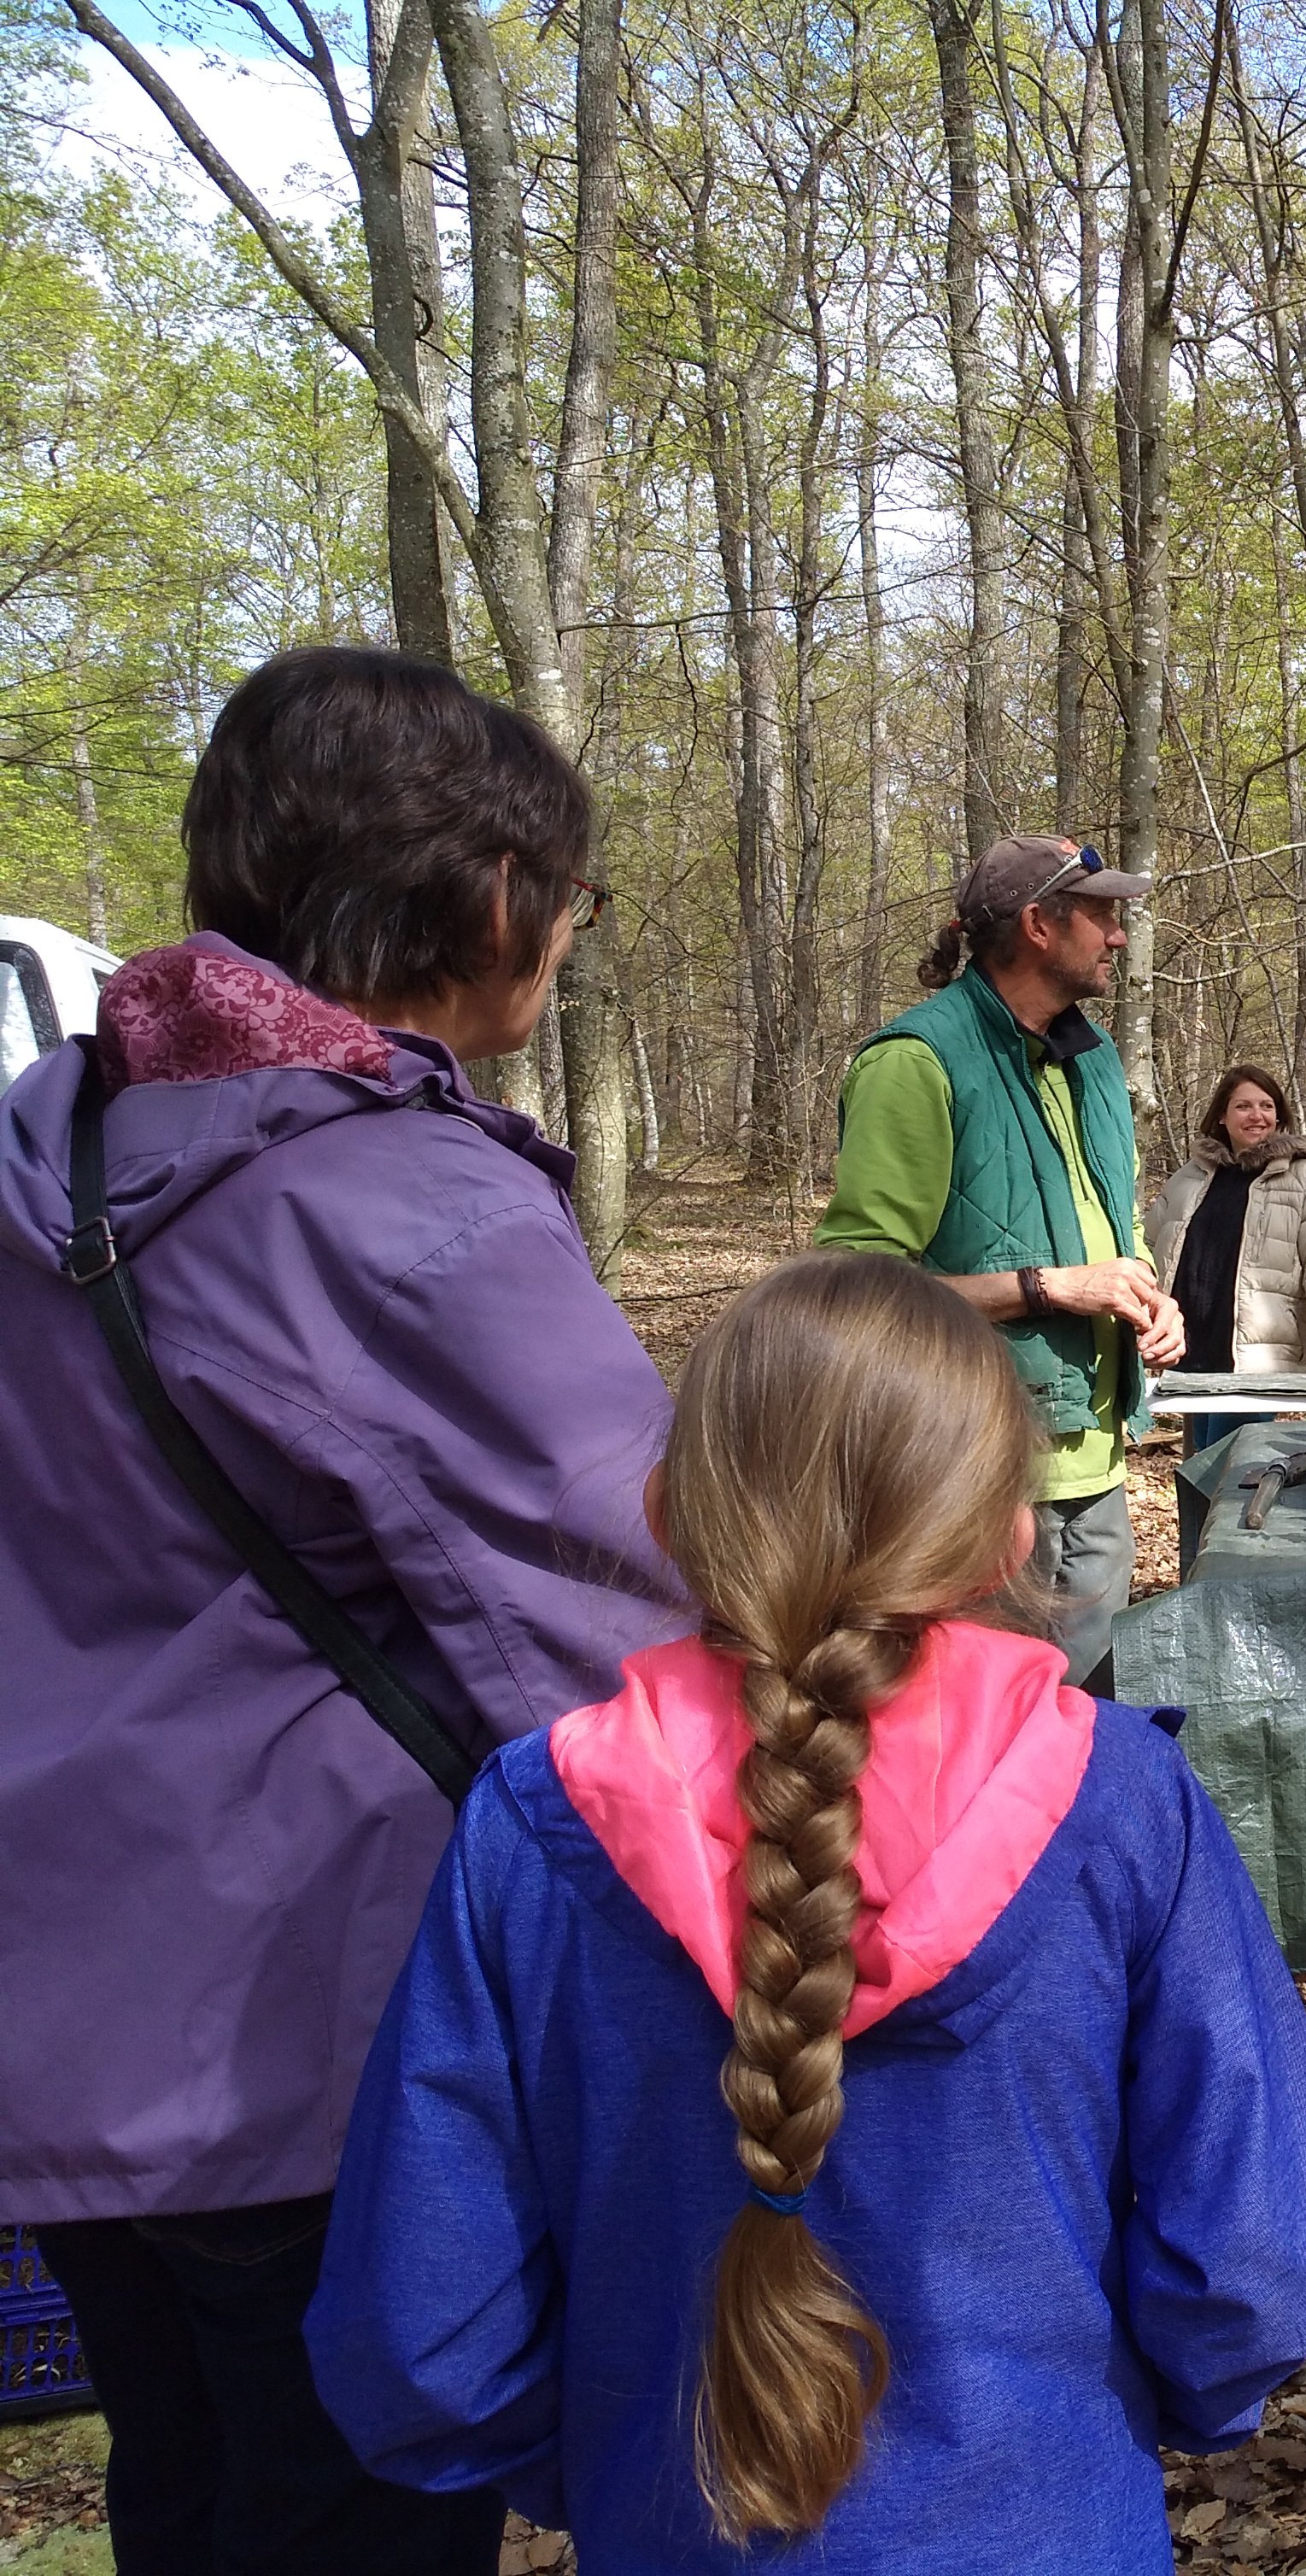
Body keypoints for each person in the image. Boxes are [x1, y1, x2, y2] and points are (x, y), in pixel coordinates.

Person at [305, 1252, 1306, 2570]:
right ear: (1012, 1536)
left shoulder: (531, 1824)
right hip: (1048, 2522)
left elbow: (424, 2316)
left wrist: (604, 2468)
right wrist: (1159, 2409)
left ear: (666, 1513)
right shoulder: (1123, 1806)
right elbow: (1250, 2250)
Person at [0, 645, 684, 2576]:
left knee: (188, 2488)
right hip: (311, 2052)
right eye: (568, 901)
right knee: (346, 2510)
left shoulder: (49, 1152)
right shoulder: (413, 1209)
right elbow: (628, 1644)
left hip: (59, 2022)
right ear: (492, 904)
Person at [817, 834, 1185, 1689]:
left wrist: (1148, 1297)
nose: (1119, 937)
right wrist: (1046, 1288)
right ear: (1038, 926)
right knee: (981, 1732)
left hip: (1096, 1456)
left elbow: (1116, 1229)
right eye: (1102, 915)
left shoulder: (1091, 1061)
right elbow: (853, 1288)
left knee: (1086, 1718)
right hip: (978, 1472)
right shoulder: (916, 1064)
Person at [1141, 1064, 1306, 1432]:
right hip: (1191, 1351)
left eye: (1266, 1106)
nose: (1257, 1115)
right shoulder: (1189, 1179)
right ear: (1221, 1116)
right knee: (1203, 1467)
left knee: (1229, 1466)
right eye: (1243, 1106)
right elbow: (1149, 1252)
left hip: (1257, 1358)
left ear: (1279, 1117)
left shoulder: (1305, 1179)